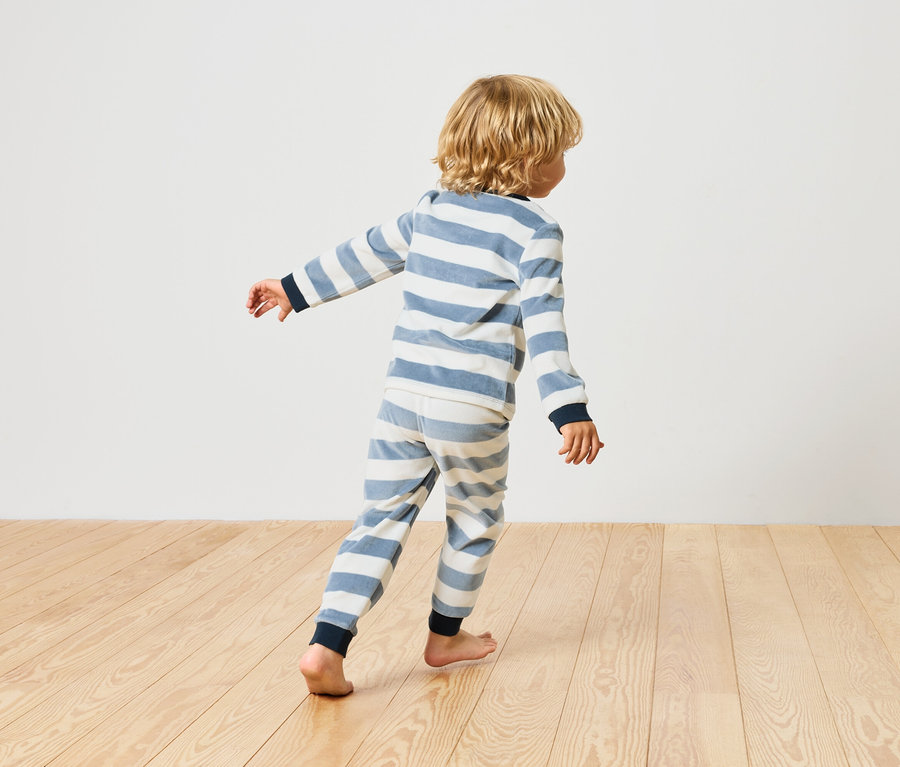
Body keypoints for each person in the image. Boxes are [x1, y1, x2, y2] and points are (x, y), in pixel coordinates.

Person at [246, 74, 603, 696]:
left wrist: (293, 289)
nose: (565, 166)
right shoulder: (535, 231)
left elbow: (362, 255)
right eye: (560, 153)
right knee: (475, 517)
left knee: (378, 519)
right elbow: (546, 326)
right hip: (472, 409)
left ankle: (325, 647)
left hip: (402, 401)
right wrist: (568, 406)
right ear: (526, 160)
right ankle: (444, 636)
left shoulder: (429, 210)